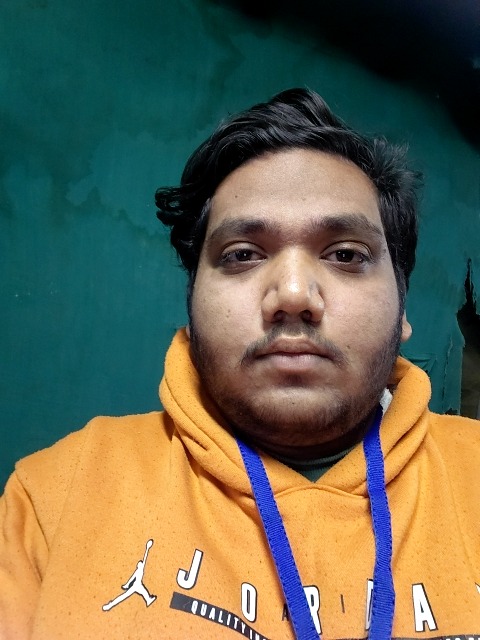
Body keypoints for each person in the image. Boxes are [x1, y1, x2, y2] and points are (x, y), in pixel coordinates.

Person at [0, 88, 479, 640]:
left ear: (403, 309)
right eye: (242, 255)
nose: (293, 294)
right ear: (191, 305)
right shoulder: (54, 499)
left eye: (346, 254)